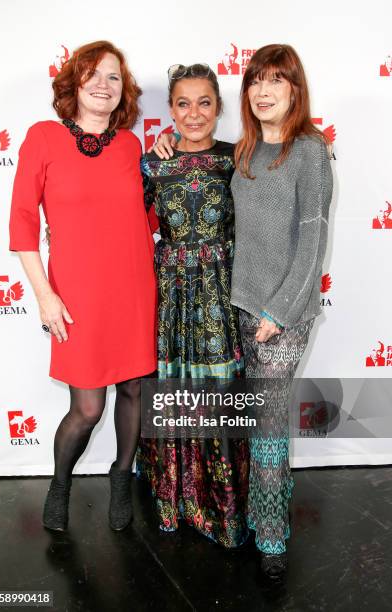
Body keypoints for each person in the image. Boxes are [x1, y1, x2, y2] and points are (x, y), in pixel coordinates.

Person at [153, 44, 333, 579]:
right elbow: (196, 163)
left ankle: (273, 541)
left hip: (280, 319)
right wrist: (167, 140)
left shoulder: (310, 151)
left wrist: (278, 312)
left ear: (294, 90)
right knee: (247, 425)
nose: (263, 90)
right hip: (234, 308)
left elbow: (312, 239)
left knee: (270, 427)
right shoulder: (245, 150)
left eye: (275, 81)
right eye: (255, 81)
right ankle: (251, 518)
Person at [9, 40, 157, 532]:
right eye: (93, 74)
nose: (103, 84)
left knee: (133, 390)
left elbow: (145, 215)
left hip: (133, 287)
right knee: (88, 407)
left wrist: (166, 164)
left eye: (113, 77)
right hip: (77, 295)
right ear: (73, 83)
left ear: (124, 91)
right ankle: (61, 483)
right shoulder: (43, 138)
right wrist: (44, 295)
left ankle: (120, 479)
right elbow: (23, 223)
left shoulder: (131, 145)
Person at [136, 64, 249, 548]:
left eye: (205, 102)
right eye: (183, 103)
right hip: (171, 294)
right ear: (171, 111)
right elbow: (121, 225)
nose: (194, 113)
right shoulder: (151, 163)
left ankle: (220, 504)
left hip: (223, 292)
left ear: (219, 108)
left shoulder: (238, 158)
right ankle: (174, 501)